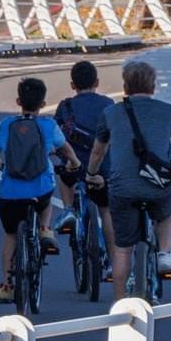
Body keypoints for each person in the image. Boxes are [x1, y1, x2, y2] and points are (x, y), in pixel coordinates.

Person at [88, 60, 171, 292]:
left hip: (122, 187)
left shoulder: (111, 113)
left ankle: (121, 307)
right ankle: (164, 254)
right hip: (159, 186)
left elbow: (98, 150)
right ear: (153, 87)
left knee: (123, 250)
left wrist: (91, 174)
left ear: (125, 87)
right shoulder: (169, 111)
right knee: (165, 215)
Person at [0, 76, 81, 304]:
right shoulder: (48, 125)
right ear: (42, 103)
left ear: (19, 101)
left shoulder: (7, 124)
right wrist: (75, 162)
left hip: (10, 192)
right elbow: (64, 149)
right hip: (39, 189)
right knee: (47, 196)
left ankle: (6, 285)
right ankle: (45, 229)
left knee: (10, 236)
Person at [54, 59, 114, 249]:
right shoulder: (109, 104)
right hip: (102, 170)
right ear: (97, 82)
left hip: (75, 167)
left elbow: (56, 137)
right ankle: (114, 263)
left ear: (73, 85)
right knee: (106, 210)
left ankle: (69, 209)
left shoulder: (65, 106)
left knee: (63, 177)